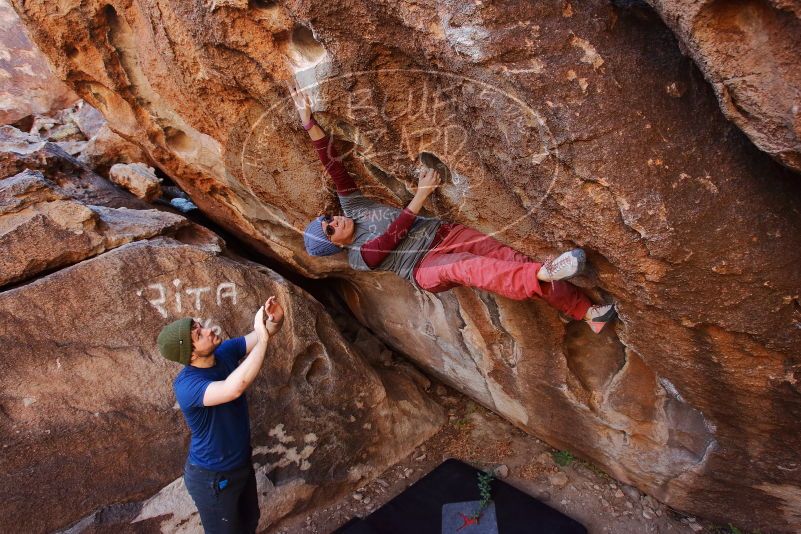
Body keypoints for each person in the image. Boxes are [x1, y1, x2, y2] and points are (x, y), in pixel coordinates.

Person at [290, 85, 616, 334]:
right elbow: (391, 237)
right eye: (330, 229)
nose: (335, 220)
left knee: (513, 263)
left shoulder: (353, 206)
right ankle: (543, 273)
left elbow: (334, 166)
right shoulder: (359, 257)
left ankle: (589, 314)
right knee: (469, 268)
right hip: (425, 267)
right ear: (336, 244)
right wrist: (420, 195)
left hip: (446, 234)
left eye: (328, 218)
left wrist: (309, 124)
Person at [156, 296, 285, 533]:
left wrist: (275, 319)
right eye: (198, 335)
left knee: (249, 522)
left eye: (200, 326)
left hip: (240, 464)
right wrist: (264, 338)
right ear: (191, 354)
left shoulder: (223, 352)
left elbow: (263, 334)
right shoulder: (187, 386)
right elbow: (233, 388)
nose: (207, 331)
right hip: (212, 477)